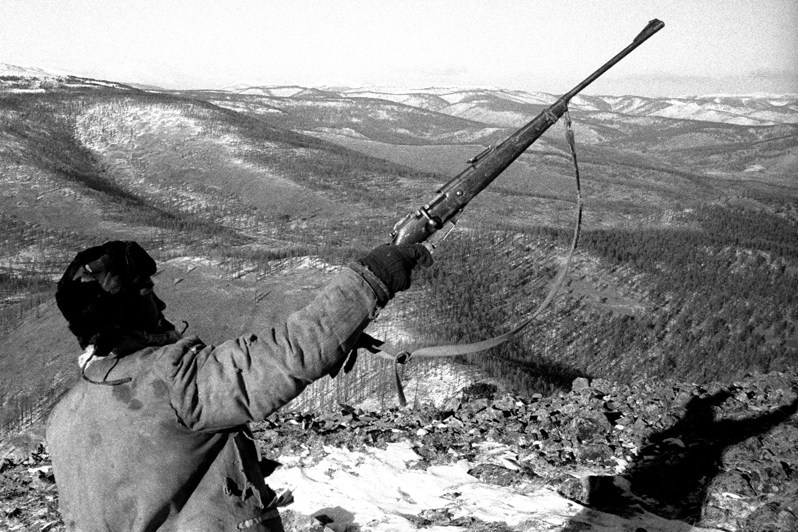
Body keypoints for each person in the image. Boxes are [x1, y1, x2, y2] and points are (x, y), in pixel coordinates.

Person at [46, 240, 433, 531]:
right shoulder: (172, 380)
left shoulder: (61, 417)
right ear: (123, 313)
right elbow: (292, 352)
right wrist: (372, 279)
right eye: (147, 292)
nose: (161, 304)